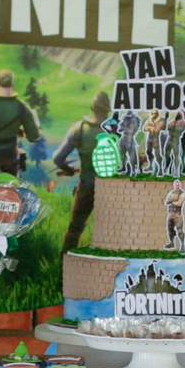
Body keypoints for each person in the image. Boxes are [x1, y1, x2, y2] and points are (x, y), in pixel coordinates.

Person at [56, 90, 111, 253]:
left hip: (86, 185)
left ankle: (64, 268)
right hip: (110, 189)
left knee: (74, 230)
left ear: (91, 107)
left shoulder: (79, 129)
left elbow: (57, 158)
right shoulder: (116, 130)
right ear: (107, 110)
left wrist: (68, 169)